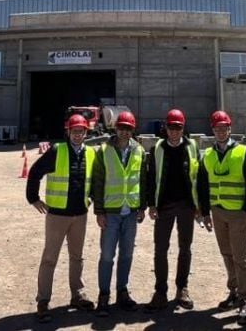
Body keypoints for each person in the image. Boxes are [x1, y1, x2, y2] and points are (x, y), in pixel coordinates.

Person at [25, 113, 98, 323]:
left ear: (86, 132)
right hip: (57, 215)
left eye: (81, 131)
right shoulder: (57, 151)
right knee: (50, 258)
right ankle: (43, 301)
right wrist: (33, 198)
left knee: (77, 257)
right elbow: (35, 172)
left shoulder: (91, 153)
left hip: (79, 216)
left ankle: (77, 295)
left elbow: (93, 181)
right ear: (69, 132)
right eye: (74, 131)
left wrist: (90, 198)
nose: (77, 135)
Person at [196, 110, 246, 326]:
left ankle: (245, 300)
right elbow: (203, 185)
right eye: (217, 128)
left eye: (224, 128)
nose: (221, 131)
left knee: (240, 257)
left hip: (237, 213)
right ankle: (233, 292)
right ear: (213, 130)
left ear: (229, 129)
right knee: (226, 254)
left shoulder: (242, 152)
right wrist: (205, 212)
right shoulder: (209, 155)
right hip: (217, 211)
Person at [143, 108, 200, 311]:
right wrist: (151, 204)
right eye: (171, 127)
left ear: (183, 128)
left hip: (186, 206)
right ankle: (160, 292)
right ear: (165, 128)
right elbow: (151, 179)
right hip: (164, 206)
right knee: (160, 249)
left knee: (185, 248)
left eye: (178, 127)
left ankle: (182, 289)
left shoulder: (192, 146)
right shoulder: (158, 148)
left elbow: (198, 177)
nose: (174, 131)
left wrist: (199, 206)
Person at [89, 110, 146, 316]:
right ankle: (103, 295)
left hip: (130, 212)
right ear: (116, 129)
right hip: (111, 213)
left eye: (128, 129)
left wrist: (142, 207)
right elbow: (98, 182)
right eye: (122, 128)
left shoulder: (139, 151)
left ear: (132, 130)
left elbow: (143, 181)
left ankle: (122, 292)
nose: (125, 132)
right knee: (106, 255)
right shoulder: (103, 150)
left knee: (127, 254)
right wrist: (99, 211)